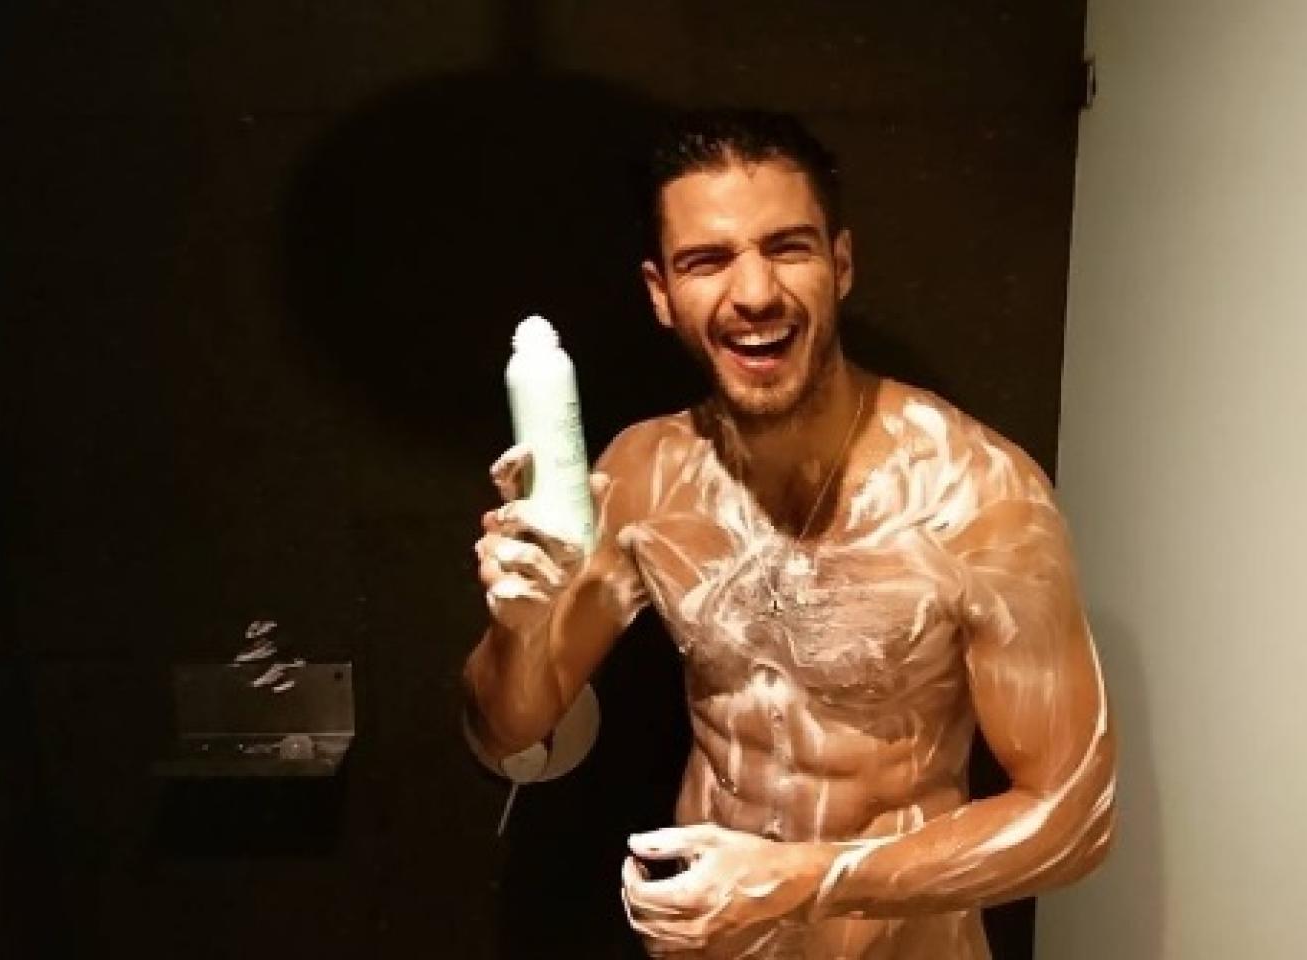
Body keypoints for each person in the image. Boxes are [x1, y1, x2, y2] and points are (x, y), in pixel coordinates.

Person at [463, 108, 1115, 959]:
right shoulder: (643, 475)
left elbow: (1075, 816)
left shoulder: (973, 490)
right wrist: (517, 630)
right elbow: (506, 730)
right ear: (661, 294)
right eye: (707, 261)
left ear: (840, 265)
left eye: (788, 248)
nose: (755, 293)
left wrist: (807, 881)